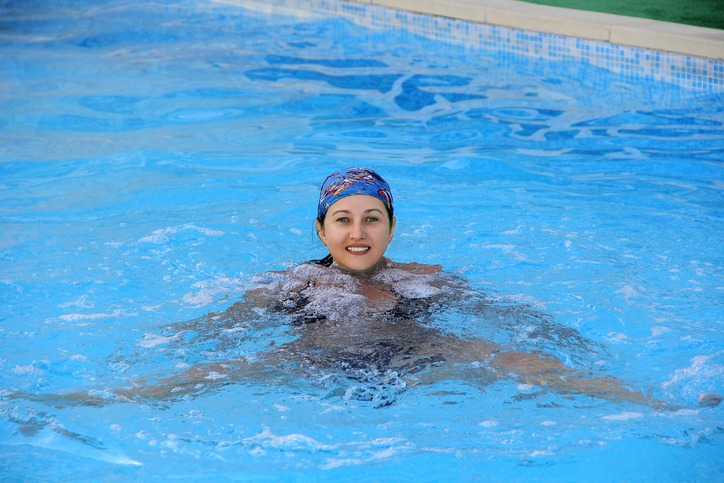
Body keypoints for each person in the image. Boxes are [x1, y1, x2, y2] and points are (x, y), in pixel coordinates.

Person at [23, 167, 721, 410]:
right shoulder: (294, 281)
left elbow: (514, 320)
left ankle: (661, 402)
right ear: (322, 228)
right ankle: (76, 400)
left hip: (419, 356)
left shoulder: (426, 278)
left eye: (372, 218)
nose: (358, 233)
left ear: (392, 225)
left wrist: (565, 338)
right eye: (343, 220)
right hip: (311, 359)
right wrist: (163, 344)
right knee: (214, 372)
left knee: (518, 361)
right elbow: (219, 326)